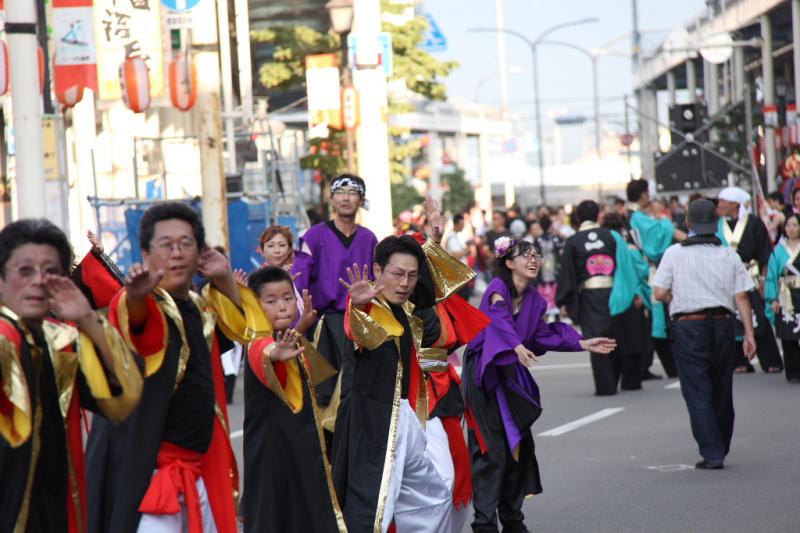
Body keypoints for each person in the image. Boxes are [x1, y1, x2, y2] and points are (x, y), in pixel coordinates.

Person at [85, 202, 270, 533]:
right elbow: (139, 326)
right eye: (166, 245)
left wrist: (225, 276)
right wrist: (138, 297)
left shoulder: (200, 307)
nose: (177, 253)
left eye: (186, 244)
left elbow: (249, 332)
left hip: (202, 471)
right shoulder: (135, 304)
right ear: (145, 253)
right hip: (151, 480)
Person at [464, 237, 615, 532]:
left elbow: (544, 335)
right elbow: (498, 319)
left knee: (517, 447)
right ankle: (484, 523)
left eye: (536, 255)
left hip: (511, 374)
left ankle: (512, 518)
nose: (533, 260)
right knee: (491, 449)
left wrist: (582, 342)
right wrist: (515, 347)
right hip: (486, 372)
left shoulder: (534, 299)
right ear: (509, 263)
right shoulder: (498, 289)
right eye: (525, 255)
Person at [0, 219, 143, 532]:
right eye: (24, 271)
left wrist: (88, 320)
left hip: (57, 510)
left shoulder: (62, 342)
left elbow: (124, 397)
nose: (38, 281)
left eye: (51, 271)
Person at [332, 235, 457, 532]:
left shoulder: (408, 309)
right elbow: (359, 330)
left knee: (435, 499)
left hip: (407, 417)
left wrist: (434, 240)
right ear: (378, 270)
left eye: (412, 276)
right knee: (372, 510)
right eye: (397, 274)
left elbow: (440, 293)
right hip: (372, 423)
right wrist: (359, 307)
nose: (405, 283)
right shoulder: (367, 308)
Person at [653, 199, 757, 469]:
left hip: (688, 326)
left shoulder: (674, 253)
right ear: (715, 224)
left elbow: (659, 292)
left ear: (688, 224)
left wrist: (677, 296)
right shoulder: (728, 255)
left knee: (697, 389)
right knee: (722, 386)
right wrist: (749, 335)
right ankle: (721, 444)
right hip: (723, 324)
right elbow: (742, 296)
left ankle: (713, 452)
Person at [242, 266, 344, 532]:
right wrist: (275, 352)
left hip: (301, 450)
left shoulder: (291, 341)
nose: (283, 306)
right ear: (255, 306)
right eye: (272, 301)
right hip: (274, 456)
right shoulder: (259, 343)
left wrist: (302, 327)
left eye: (288, 298)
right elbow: (267, 354)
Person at [300, 174, 378, 408]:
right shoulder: (313, 236)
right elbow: (301, 280)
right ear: (332, 199)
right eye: (340, 193)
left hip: (359, 321)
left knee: (358, 391)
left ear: (361, 200)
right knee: (324, 394)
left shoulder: (369, 238)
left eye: (352, 193)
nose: (346, 198)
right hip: (324, 323)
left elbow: (376, 281)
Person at [557, 200, 636, 395]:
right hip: (613, 293)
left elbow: (567, 273)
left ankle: (605, 386)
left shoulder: (573, 241)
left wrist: (564, 300)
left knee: (595, 338)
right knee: (615, 334)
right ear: (598, 215)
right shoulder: (611, 236)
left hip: (589, 296)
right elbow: (625, 266)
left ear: (577, 217)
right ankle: (618, 376)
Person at [716, 186, 784, 374]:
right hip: (726, 276)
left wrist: (763, 278)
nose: (719, 205)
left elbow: (764, 252)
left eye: (722, 201)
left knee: (758, 317)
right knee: (731, 318)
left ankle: (770, 359)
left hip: (750, 274)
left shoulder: (753, 223)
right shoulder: (718, 224)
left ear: (734, 203)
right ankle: (740, 360)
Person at [626, 178, 684, 380]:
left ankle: (647, 366)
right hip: (646, 271)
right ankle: (658, 366)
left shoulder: (635, 216)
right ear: (643, 194)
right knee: (655, 320)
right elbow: (655, 244)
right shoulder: (637, 218)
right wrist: (664, 223)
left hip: (644, 271)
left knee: (652, 320)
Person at [764, 214, 800, 383]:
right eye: (788, 225)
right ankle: (793, 371)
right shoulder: (778, 250)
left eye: (794, 225)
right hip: (786, 295)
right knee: (788, 335)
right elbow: (771, 277)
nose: (790, 229)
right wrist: (773, 299)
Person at [445, 213, 474, 300]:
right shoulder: (452, 237)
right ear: (456, 224)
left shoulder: (454, 236)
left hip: (459, 273)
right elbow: (456, 255)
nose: (463, 227)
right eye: (461, 225)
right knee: (463, 298)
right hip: (458, 274)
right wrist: (468, 249)